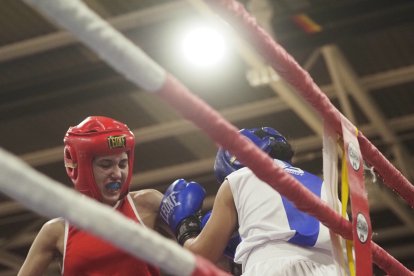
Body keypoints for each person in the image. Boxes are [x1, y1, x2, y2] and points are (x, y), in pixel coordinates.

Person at [160, 127, 339, 275]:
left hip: (274, 269)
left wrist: (185, 226)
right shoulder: (324, 186)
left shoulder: (240, 177)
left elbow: (200, 255)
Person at [18, 116, 170, 276]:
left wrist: (192, 223)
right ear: (82, 168)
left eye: (122, 164)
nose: (117, 174)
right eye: (106, 165)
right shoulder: (57, 231)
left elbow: (195, 253)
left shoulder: (148, 204)